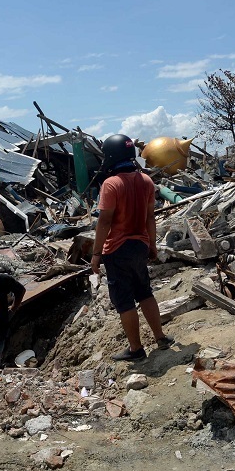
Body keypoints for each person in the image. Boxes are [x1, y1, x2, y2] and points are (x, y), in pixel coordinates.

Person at [91, 134, 174, 361]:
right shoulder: (146, 181)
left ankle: (136, 349)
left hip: (117, 250)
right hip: (140, 246)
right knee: (145, 292)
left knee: (124, 301)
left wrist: (96, 254)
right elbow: (150, 218)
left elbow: (104, 221)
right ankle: (160, 337)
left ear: (110, 155)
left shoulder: (111, 184)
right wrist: (152, 244)